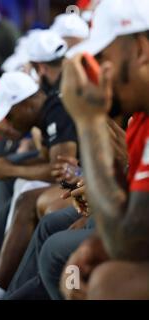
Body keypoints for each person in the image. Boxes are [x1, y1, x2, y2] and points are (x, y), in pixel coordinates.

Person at [59, 0, 149, 299]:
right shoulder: (141, 117)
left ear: (140, 50)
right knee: (80, 267)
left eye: (102, 58)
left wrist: (89, 122)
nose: (98, 74)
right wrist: (95, 244)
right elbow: (129, 225)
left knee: (108, 284)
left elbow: (127, 244)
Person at [0, 70, 78, 299]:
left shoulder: (58, 111)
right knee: (23, 187)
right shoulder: (48, 113)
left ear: (26, 104)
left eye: (10, 115)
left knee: (27, 197)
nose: (9, 122)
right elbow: (50, 159)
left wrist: (12, 169)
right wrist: (8, 165)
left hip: (85, 180)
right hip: (83, 176)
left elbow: (63, 172)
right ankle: (0, 273)